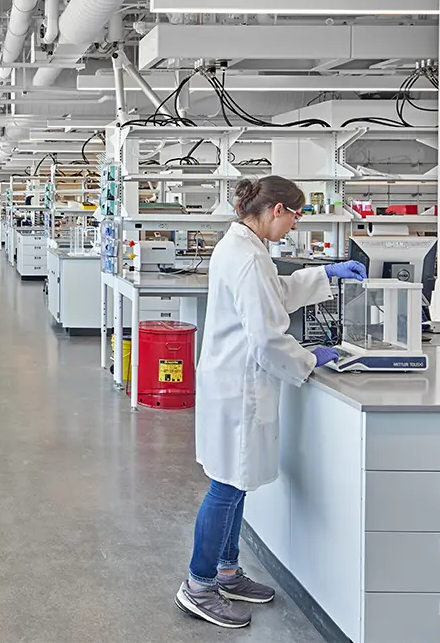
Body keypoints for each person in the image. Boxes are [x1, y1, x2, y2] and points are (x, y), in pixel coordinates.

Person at [175, 176, 366, 630]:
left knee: (235, 484)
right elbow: (266, 338)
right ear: (277, 209)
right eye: (296, 217)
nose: (295, 227)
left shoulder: (246, 247)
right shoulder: (246, 256)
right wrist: (308, 358)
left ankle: (226, 572)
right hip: (238, 386)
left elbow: (274, 295)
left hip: (235, 382)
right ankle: (198, 587)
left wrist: (326, 273)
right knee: (226, 486)